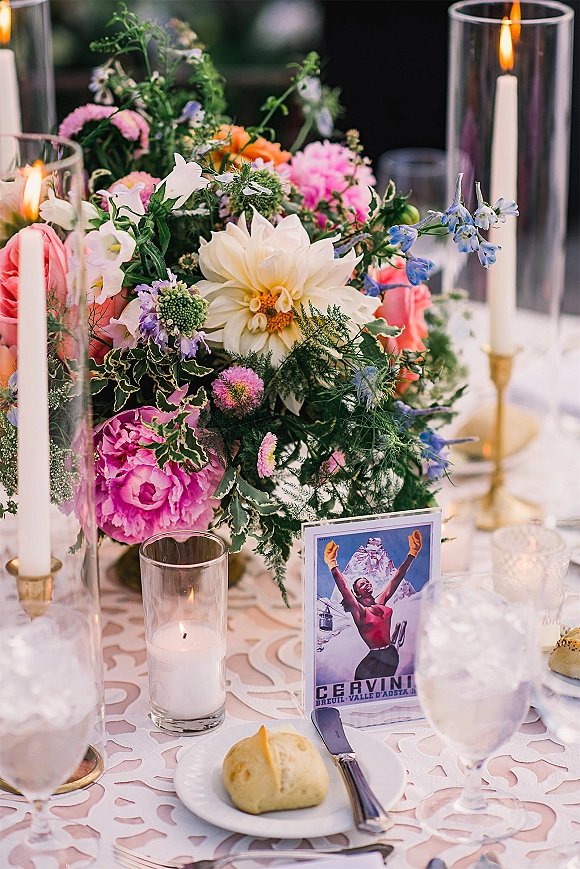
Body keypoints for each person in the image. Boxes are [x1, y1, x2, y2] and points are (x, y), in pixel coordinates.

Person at [323, 531, 422, 680]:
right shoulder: (360, 612)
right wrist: (332, 564)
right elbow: (344, 588)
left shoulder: (380, 601)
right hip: (373, 662)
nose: (367, 584)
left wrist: (412, 553)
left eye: (367, 582)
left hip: (391, 654)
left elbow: (397, 578)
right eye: (362, 585)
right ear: (357, 594)